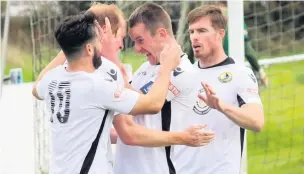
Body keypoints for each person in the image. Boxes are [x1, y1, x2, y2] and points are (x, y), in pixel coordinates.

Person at [31, 11, 183, 174]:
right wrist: (166, 68)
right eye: (99, 40)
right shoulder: (96, 86)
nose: (103, 43)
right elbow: (152, 105)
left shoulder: (52, 79)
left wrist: (68, 45)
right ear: (89, 49)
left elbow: (36, 87)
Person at [112, 3, 215, 174]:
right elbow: (130, 117)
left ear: (161, 34)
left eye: (140, 40)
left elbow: (143, 103)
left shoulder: (182, 72)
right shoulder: (145, 68)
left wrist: (111, 67)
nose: (136, 49)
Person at [170, 5, 265, 174]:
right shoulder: (181, 75)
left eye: (201, 31)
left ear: (220, 34)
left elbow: (257, 122)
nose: (195, 37)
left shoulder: (240, 73)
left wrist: (222, 106)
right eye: (191, 32)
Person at [221, 6, 269, 87]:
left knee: (249, 53)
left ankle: (261, 73)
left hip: (237, 53)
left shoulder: (236, 16)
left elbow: (245, 34)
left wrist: (243, 34)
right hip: (224, 57)